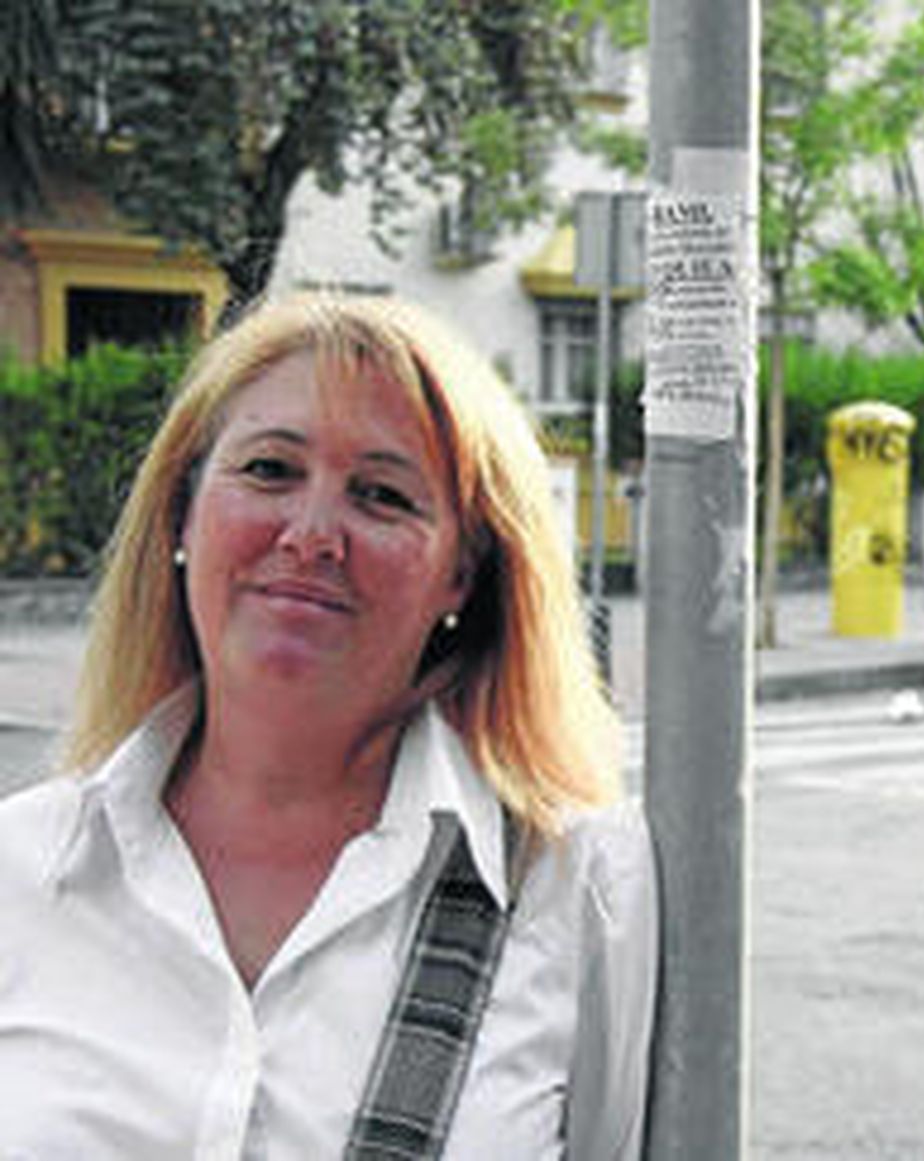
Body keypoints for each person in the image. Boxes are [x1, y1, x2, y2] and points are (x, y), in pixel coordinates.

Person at [0, 294, 658, 1156]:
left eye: (381, 496)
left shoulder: (581, 892)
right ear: (181, 517)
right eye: (270, 470)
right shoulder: (23, 871)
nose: (312, 535)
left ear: (463, 574)